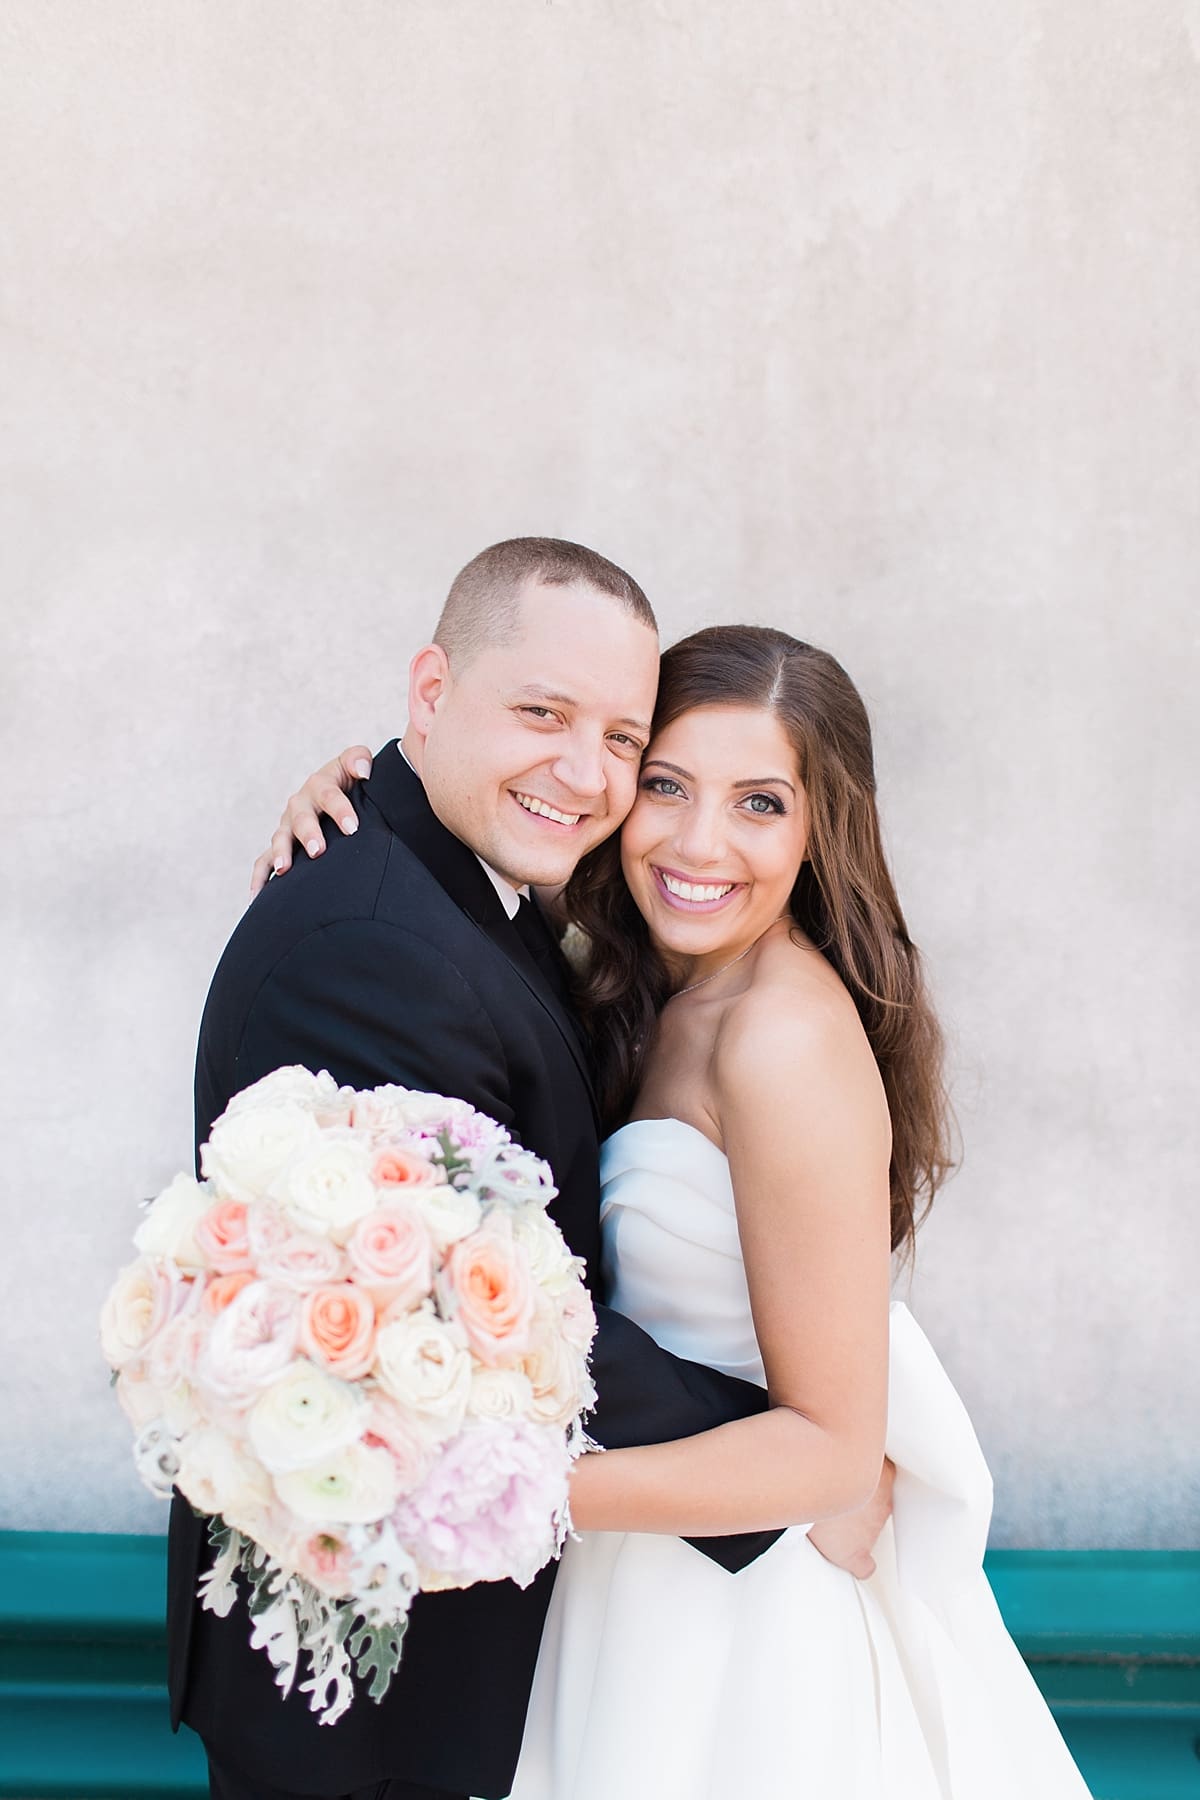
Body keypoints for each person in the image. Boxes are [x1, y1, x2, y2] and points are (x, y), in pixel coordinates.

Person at [270, 627, 1092, 1798]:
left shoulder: (782, 1036)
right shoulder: (637, 977)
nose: (700, 844)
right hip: (633, 1581)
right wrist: (356, 800)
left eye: (760, 803)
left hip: (745, 1618)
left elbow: (830, 1448)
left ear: (821, 832)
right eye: (666, 786)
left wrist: (499, 1495)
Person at [177, 539, 887, 1800]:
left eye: (621, 740)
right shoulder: (387, 941)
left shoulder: (508, 913)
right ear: (429, 693)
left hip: (608, 1593)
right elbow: (473, 1313)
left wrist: (816, 1450)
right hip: (382, 1654)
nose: (589, 774)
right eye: (543, 715)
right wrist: (787, 1455)